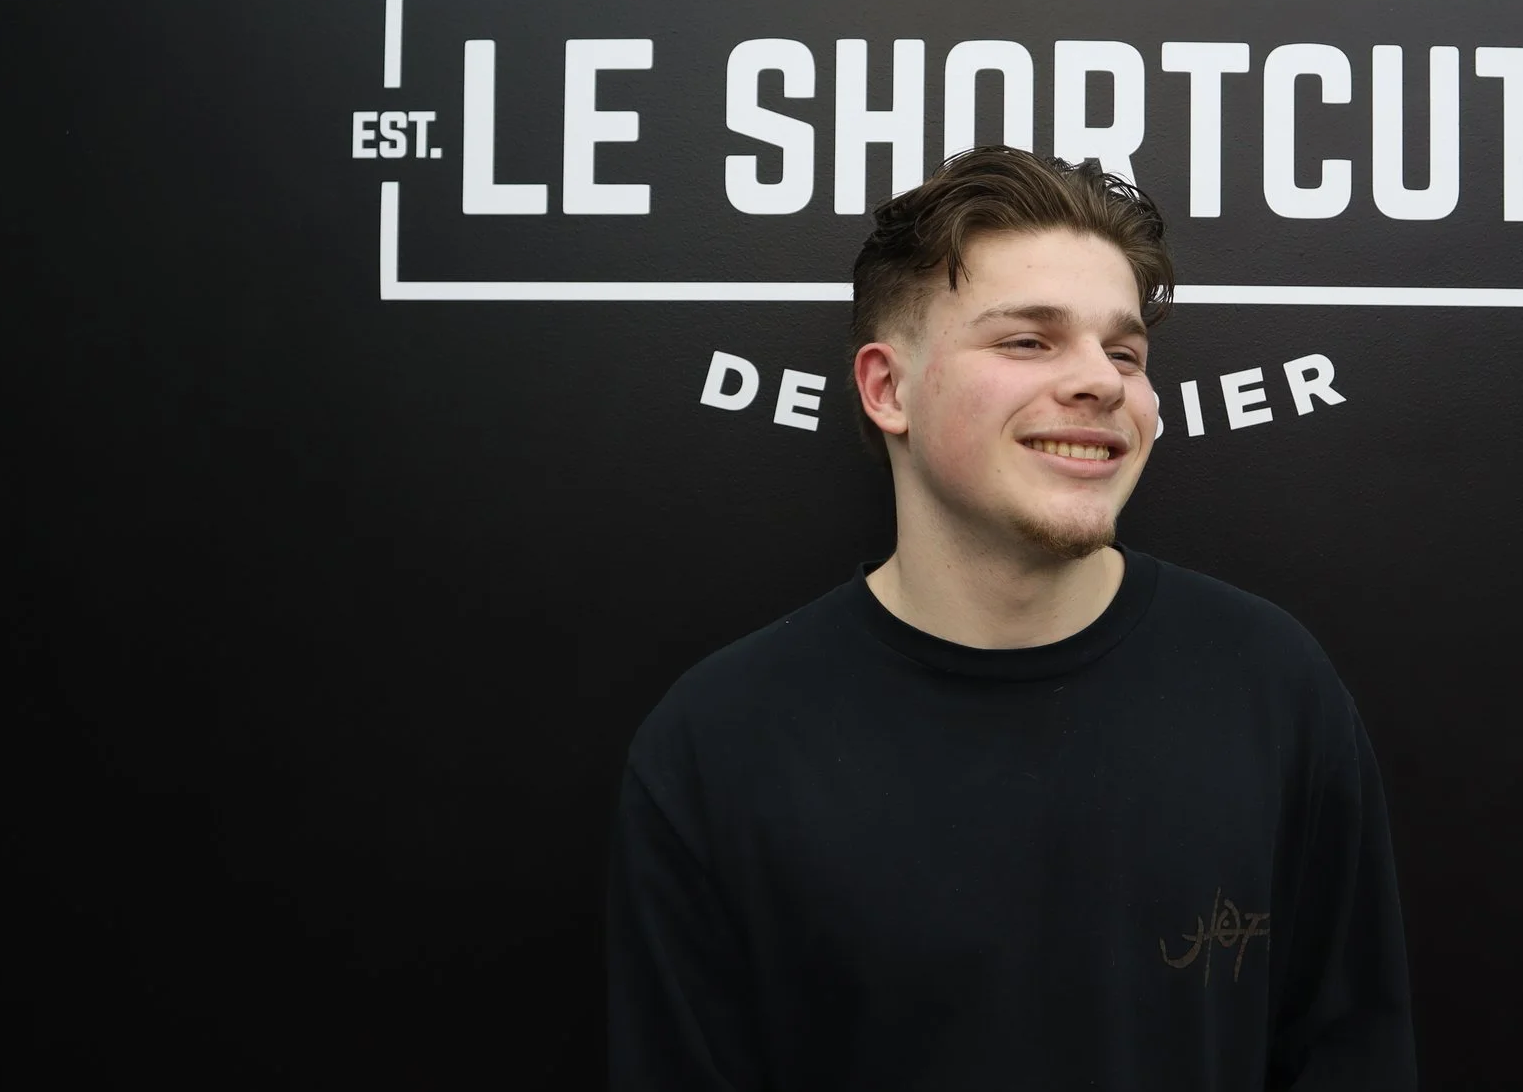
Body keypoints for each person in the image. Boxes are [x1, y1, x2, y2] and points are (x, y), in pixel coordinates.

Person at [607, 146, 1419, 1090]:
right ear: (887, 388)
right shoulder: (717, 745)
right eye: (1028, 340)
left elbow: (1353, 1052)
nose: (1103, 381)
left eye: (1125, 351)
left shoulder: (1271, 684)